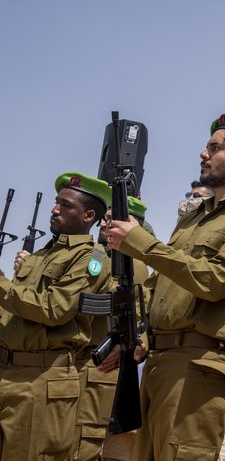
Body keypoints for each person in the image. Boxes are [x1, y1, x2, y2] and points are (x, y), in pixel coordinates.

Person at [104, 113, 225, 461]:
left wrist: (139, 241)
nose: (203, 153)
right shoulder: (195, 215)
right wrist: (140, 336)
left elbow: (214, 280)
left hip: (199, 367)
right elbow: (163, 283)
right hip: (159, 362)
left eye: (215, 147)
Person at [0, 172, 111, 461]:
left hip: (42, 380)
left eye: (65, 205)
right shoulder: (38, 257)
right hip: (8, 373)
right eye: (56, 202)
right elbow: (14, 311)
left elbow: (55, 309)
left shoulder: (93, 260)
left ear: (88, 215)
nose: (55, 209)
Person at [74, 195, 151, 461]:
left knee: (110, 447)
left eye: (110, 220)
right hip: (96, 366)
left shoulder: (133, 265)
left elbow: (139, 315)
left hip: (111, 368)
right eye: (103, 220)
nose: (103, 225)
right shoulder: (100, 258)